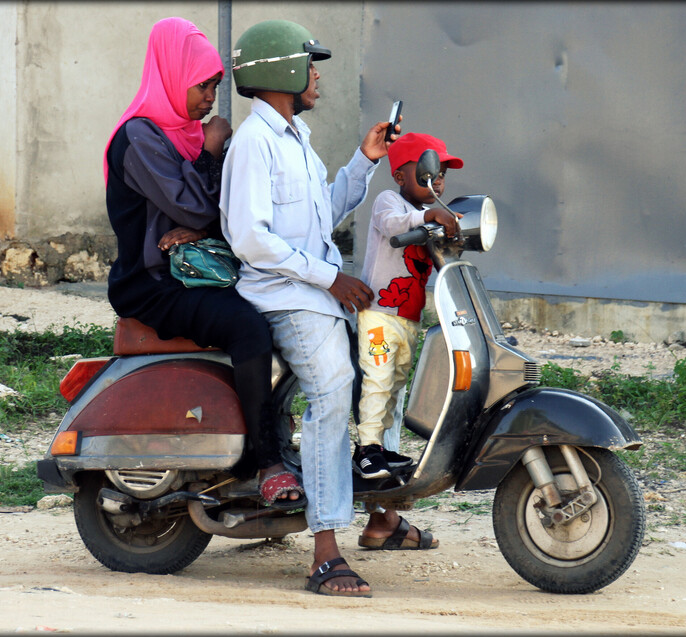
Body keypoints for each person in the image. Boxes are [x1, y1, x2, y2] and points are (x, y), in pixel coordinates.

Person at [222, 19, 436, 597]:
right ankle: (324, 552)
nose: (317, 76)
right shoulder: (254, 143)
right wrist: (330, 279)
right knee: (333, 389)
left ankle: (382, 514)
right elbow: (252, 238)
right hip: (285, 297)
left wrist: (365, 160)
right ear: (281, 72)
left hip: (316, 292)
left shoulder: (297, 138)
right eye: (309, 65)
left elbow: (325, 213)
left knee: (384, 366)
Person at [103, 17, 305, 510]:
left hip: (195, 270)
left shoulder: (185, 135)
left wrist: (202, 221)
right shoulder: (141, 138)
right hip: (153, 283)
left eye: (215, 84)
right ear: (170, 75)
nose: (209, 97)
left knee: (279, 310)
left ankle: (259, 437)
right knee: (248, 328)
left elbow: (223, 208)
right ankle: (267, 463)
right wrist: (212, 152)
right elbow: (195, 204)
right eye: (201, 85)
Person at [352, 132, 463, 481]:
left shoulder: (430, 214)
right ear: (400, 176)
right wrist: (428, 216)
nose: (438, 178)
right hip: (379, 315)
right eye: (430, 170)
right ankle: (366, 449)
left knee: (396, 383)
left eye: (443, 172)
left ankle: (381, 447)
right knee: (379, 381)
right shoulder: (390, 202)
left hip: (408, 319)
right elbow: (393, 225)